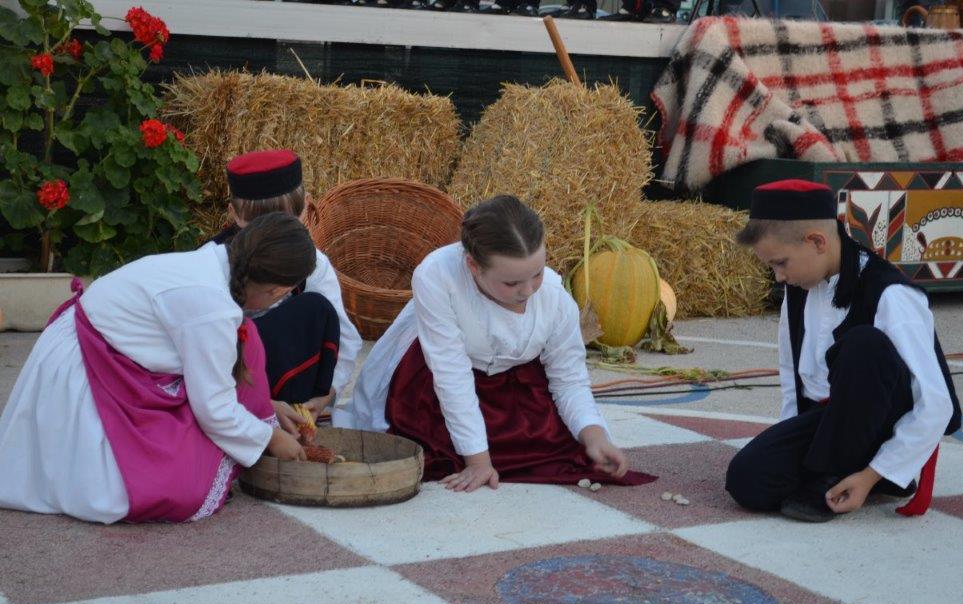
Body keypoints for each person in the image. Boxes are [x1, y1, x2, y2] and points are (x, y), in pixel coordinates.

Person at [0, 213, 316, 524]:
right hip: (86, 370)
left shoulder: (214, 261)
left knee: (250, 343)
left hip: (110, 355)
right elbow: (214, 410)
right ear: (277, 291)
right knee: (181, 488)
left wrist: (267, 409)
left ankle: (245, 430)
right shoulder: (212, 309)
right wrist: (269, 437)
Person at [341, 195, 656, 492]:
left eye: (536, 273)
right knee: (434, 450)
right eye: (511, 282)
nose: (528, 290)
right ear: (473, 267)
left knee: (562, 447)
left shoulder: (555, 299)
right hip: (430, 381)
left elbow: (569, 378)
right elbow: (450, 373)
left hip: (513, 384)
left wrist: (593, 433)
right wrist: (478, 462)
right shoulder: (437, 274)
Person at [725, 179, 961, 522]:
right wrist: (785, 438)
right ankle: (833, 468)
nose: (778, 276)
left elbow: (937, 405)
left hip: (879, 424)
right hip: (829, 422)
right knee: (747, 480)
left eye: (780, 263)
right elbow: (794, 373)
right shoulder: (800, 285)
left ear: (817, 241)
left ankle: (847, 474)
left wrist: (873, 474)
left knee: (864, 345)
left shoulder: (890, 294)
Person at [207, 149, 362, 434]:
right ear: (233, 216)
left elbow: (345, 336)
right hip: (228, 374)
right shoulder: (212, 262)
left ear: (305, 210)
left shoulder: (314, 264)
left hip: (286, 373)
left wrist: (328, 392)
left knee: (317, 309)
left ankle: (299, 413)